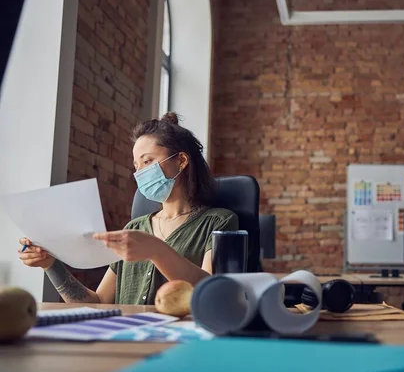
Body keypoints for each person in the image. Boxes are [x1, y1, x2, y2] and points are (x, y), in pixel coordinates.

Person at [18, 112, 239, 304]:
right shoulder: (134, 227)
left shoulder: (219, 222)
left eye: (148, 161)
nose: (140, 172)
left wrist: (156, 249)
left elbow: (211, 293)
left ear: (181, 160)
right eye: (136, 165)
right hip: (126, 340)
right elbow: (98, 302)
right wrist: (51, 265)